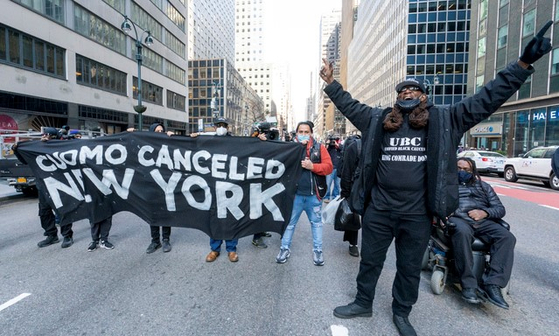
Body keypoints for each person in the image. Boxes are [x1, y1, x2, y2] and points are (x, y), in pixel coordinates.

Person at [319, 21, 551, 336]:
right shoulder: (378, 119)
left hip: (416, 214)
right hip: (379, 211)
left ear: (425, 97)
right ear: (396, 97)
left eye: (414, 89)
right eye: (402, 90)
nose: (408, 92)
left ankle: (402, 314)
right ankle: (363, 302)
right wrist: (332, 83)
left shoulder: (445, 120)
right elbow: (348, 105)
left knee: (409, 268)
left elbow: (487, 99)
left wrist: (522, 65)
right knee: (370, 262)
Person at [450, 157, 515, 309]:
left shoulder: (484, 186)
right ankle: (468, 284)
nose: (462, 172)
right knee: (462, 233)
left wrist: (485, 212)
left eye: (466, 169)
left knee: (507, 237)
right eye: (459, 168)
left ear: (473, 171)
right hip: (459, 219)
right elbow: (439, 204)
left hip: (482, 220)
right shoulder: (447, 185)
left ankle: (493, 284)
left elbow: (500, 209)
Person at [275, 121, 333, 266]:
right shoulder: (289, 148)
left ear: (311, 133)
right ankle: (284, 248)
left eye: (306, 132)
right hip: (295, 196)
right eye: (300, 132)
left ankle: (318, 250)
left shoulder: (319, 148)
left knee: (316, 224)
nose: (303, 134)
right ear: (296, 133)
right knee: (289, 223)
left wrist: (313, 166)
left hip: (314, 196)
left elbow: (329, 167)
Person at [205, 117, 239, 262]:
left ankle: (231, 249)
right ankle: (215, 249)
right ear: (214, 128)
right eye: (218, 125)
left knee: (231, 218)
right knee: (214, 218)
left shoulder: (235, 143)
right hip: (213, 185)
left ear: (227, 128)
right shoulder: (209, 142)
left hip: (231, 185)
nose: (220, 127)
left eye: (223, 125)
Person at [145, 122, 173, 254]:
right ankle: (155, 241)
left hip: (165, 184)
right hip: (151, 185)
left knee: (165, 213)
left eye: (162, 131)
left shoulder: (168, 144)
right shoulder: (146, 145)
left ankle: (166, 239)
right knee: (153, 214)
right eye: (157, 131)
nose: (160, 133)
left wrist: (172, 138)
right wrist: (130, 132)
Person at [339, 135, 361, 257]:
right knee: (353, 216)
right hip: (355, 189)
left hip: (375, 190)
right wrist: (345, 193)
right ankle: (353, 243)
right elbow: (346, 172)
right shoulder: (355, 146)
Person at [325, 136, 341, 203]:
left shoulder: (340, 147)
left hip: (338, 168)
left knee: (337, 184)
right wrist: (327, 144)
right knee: (328, 183)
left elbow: (343, 150)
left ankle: (335, 197)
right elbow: (324, 151)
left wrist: (337, 145)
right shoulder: (328, 148)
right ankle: (327, 197)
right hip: (330, 168)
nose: (333, 142)